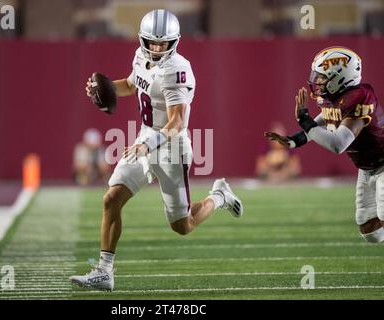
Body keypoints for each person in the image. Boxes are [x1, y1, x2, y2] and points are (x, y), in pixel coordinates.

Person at [70, 9, 244, 291]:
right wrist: (103, 89)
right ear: (143, 40)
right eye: (152, 42)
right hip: (145, 137)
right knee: (111, 199)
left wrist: (146, 144)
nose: (157, 48)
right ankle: (104, 271)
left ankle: (219, 197)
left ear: (174, 42)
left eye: (163, 43)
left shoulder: (178, 70)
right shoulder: (140, 56)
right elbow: (130, 84)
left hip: (170, 148)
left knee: (183, 225)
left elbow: (176, 122)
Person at [266, 46, 384, 244]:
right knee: (370, 231)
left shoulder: (358, 97)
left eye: (321, 76)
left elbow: (338, 144)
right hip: (367, 168)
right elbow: (325, 118)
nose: (316, 81)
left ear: (340, 77)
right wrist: (295, 140)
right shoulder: (333, 97)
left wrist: (305, 122)